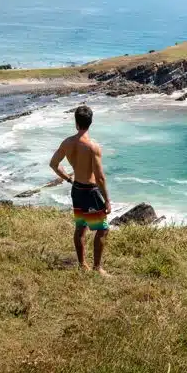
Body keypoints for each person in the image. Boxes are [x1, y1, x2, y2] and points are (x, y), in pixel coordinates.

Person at [49, 105, 111, 274]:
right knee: (103, 229)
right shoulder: (93, 147)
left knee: (80, 227)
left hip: (76, 189)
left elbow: (54, 164)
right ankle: (97, 268)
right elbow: (99, 177)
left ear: (76, 123)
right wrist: (107, 199)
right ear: (90, 123)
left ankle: (83, 264)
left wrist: (68, 178)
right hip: (90, 191)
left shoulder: (67, 143)